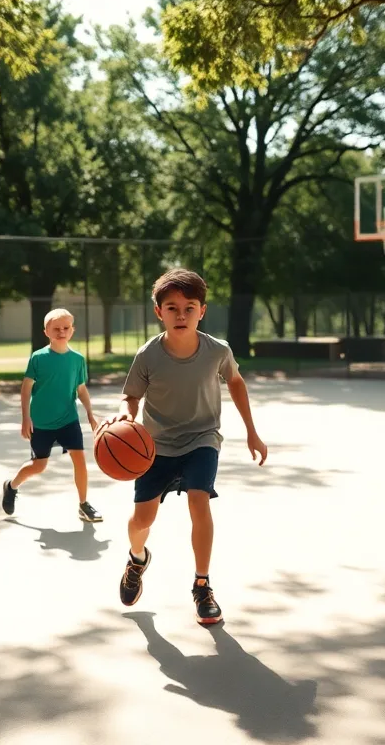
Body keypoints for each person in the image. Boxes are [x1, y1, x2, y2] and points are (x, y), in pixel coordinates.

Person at [105, 268, 267, 626]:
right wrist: (123, 419)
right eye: (172, 307)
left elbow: (237, 383)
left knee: (199, 499)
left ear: (202, 311)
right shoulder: (149, 354)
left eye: (189, 307)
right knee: (142, 520)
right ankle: (136, 558)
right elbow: (130, 397)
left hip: (202, 438)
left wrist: (251, 432)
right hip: (154, 446)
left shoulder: (217, 351)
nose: (181, 315)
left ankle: (202, 585)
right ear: (158, 312)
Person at [2, 308, 101, 522]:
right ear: (46, 331)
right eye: (56, 328)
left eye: (66, 328)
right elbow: (26, 388)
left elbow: (81, 389)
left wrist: (90, 415)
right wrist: (25, 418)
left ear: (72, 331)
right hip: (42, 422)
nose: (61, 331)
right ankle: (11, 486)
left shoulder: (77, 359)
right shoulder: (38, 358)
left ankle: (84, 504)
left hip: (68, 420)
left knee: (80, 460)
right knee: (39, 466)